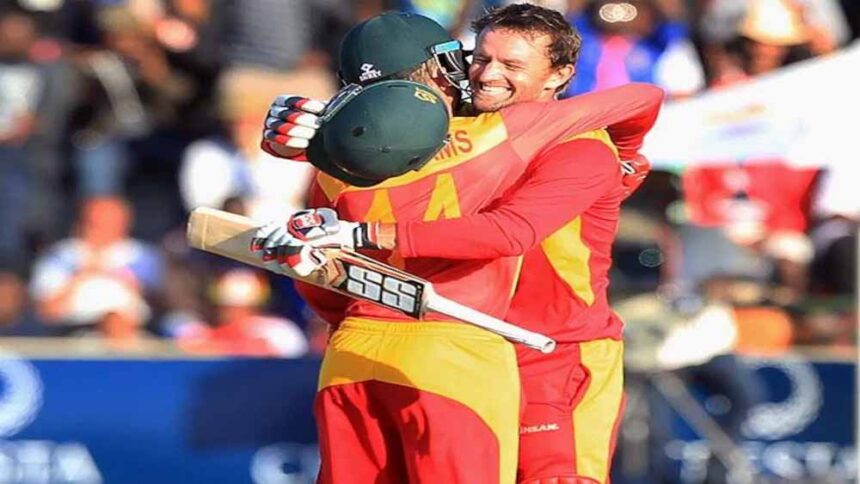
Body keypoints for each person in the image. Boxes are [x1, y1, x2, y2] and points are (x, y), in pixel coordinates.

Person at [258, 6, 662, 484]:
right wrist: (320, 135)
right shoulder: (433, 136)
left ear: (559, 75)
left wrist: (326, 148)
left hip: (553, 355)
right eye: (481, 59)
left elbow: (511, 230)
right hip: (460, 344)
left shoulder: (578, 144)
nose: (487, 75)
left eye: (512, 65)